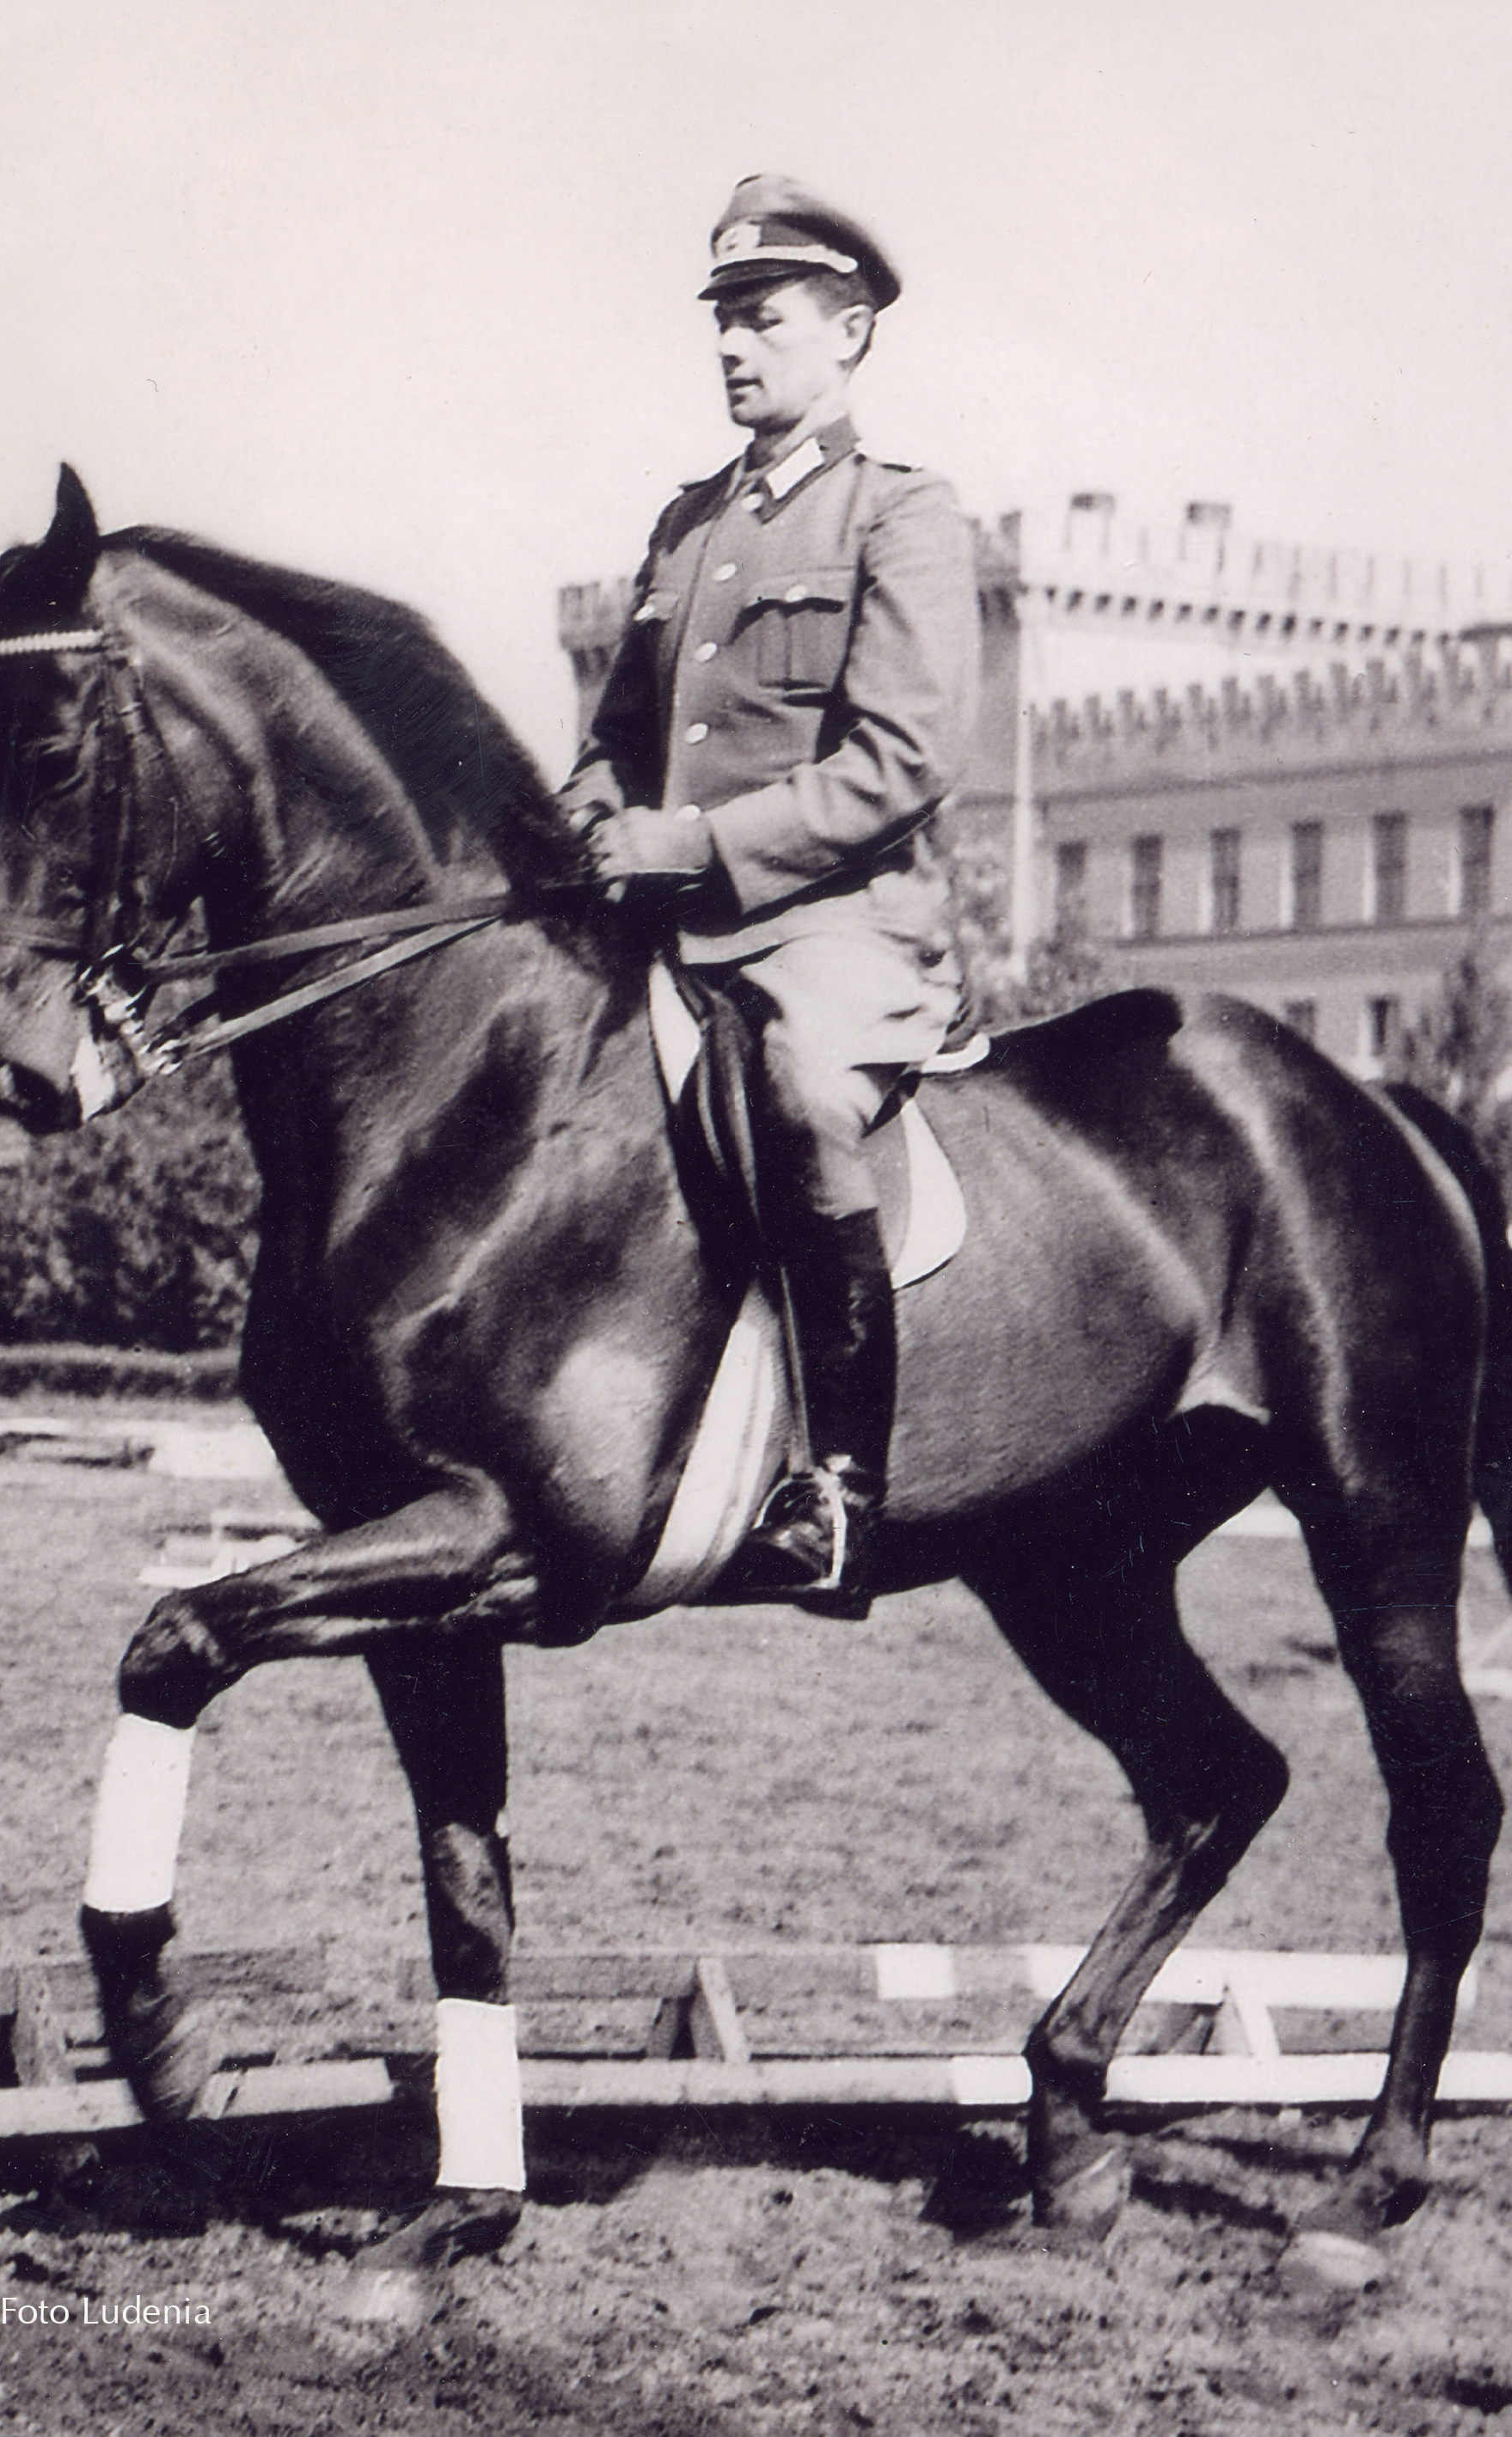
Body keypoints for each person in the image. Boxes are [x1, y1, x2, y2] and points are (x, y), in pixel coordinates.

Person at [560, 174, 981, 1607]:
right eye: (723, 321)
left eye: (766, 317)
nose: (735, 345)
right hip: (671, 924)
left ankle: (843, 1491)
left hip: (839, 924)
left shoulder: (900, 516)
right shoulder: (687, 529)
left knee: (801, 1086)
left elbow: (906, 759)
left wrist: (691, 848)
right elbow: (619, 744)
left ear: (849, 331)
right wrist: (589, 819)